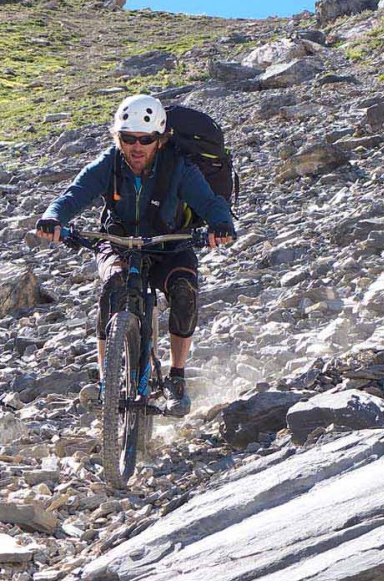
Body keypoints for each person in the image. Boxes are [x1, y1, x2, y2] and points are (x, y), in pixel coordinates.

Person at [35, 94, 236, 416]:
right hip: (118, 241)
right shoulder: (109, 164)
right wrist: (54, 218)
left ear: (160, 140)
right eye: (128, 139)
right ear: (118, 138)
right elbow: (74, 194)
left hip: (169, 244)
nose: (136, 147)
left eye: (146, 139)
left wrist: (221, 225)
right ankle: (108, 381)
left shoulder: (179, 167)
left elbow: (210, 203)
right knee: (112, 289)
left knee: (184, 290)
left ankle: (177, 376)